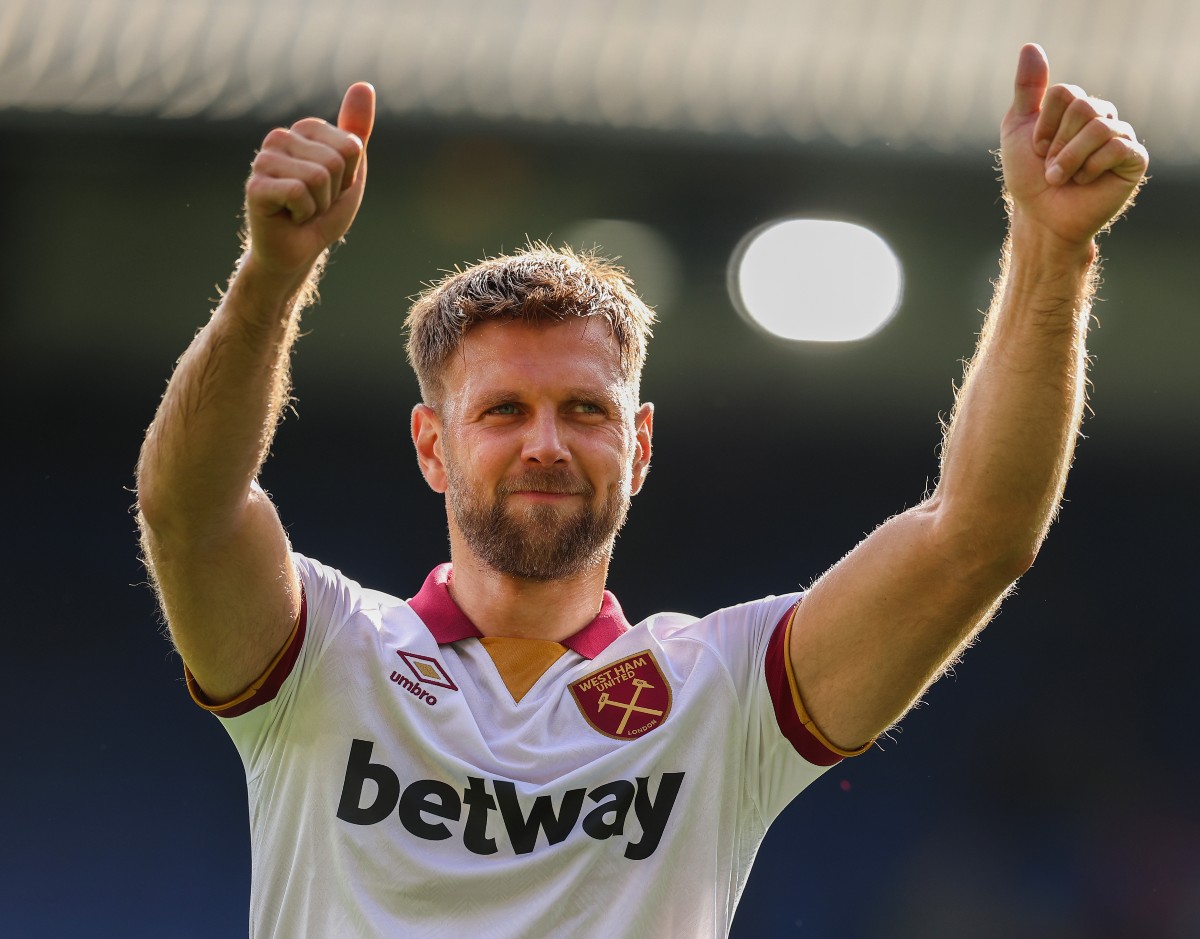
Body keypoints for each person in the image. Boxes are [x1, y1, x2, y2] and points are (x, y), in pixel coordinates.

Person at [136, 44, 1147, 938]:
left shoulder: (724, 692)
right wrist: (273, 275)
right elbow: (188, 514)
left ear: (641, 442)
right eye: (501, 412)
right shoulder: (327, 655)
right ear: (432, 447)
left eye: (585, 410)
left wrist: (1052, 251)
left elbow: (977, 536)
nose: (545, 444)